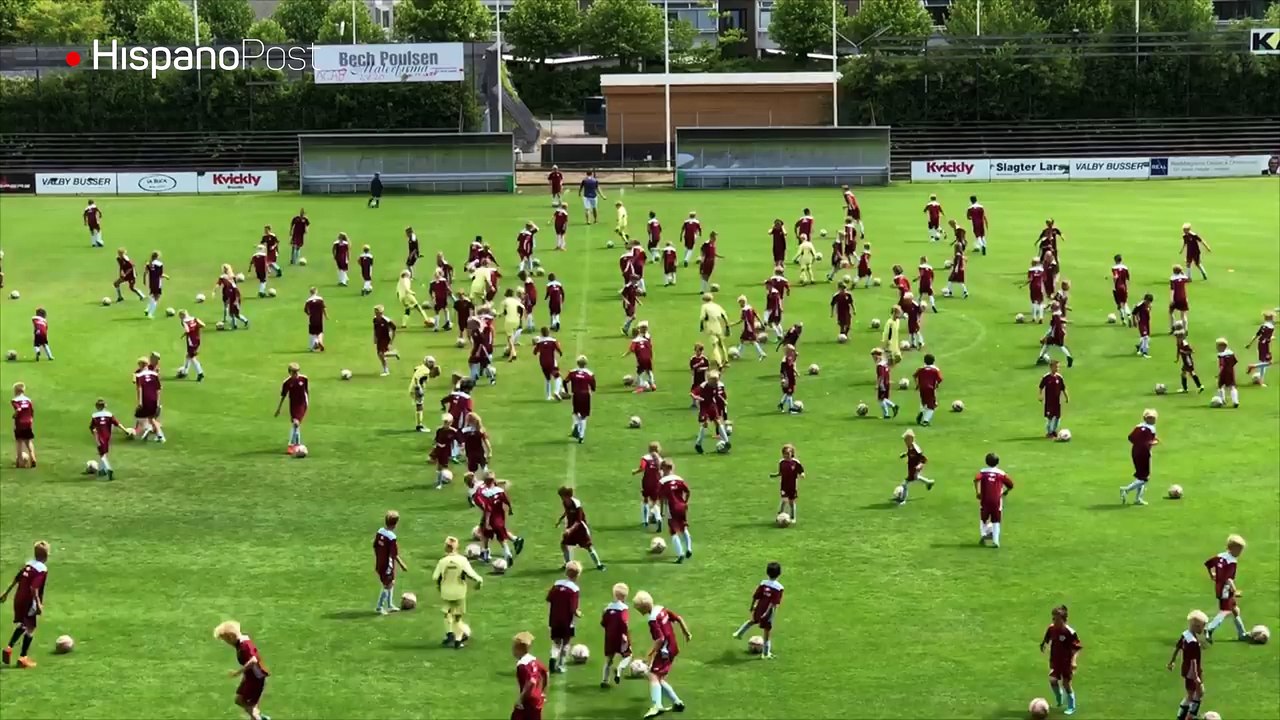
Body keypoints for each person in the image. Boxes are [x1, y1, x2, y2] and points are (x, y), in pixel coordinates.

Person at [633, 590, 691, 718]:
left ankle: (657, 706)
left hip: (665, 651)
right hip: (673, 648)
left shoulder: (653, 620)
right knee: (659, 678)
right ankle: (677, 703)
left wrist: (652, 652)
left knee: (652, 675)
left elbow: (660, 639)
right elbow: (679, 618)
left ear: (642, 608)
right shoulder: (661, 609)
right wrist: (686, 633)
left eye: (638, 609)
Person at [0, 540, 49, 668]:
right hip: (29, 600)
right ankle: (23, 658)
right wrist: (38, 605)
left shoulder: (28, 564)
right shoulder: (42, 569)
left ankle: (9, 648)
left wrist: (5, 594)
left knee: (23, 623)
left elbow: (16, 579)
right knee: (31, 628)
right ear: (46, 556)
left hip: (18, 598)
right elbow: (34, 588)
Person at [212, 620, 270, 720]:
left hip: (256, 679)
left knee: (249, 707)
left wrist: (238, 673)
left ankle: (258, 717)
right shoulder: (240, 643)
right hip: (250, 677)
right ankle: (258, 716)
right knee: (240, 700)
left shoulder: (244, 645)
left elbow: (253, 660)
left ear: (231, 637)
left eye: (226, 640)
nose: (227, 643)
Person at [432, 535, 483, 649]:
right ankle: (458, 641)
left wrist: (440, 585)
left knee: (447, 613)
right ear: (457, 547)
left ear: (446, 547)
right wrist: (479, 582)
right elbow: (472, 575)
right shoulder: (462, 560)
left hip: (446, 592)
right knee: (458, 618)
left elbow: (435, 577)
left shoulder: (442, 561)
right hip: (459, 592)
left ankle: (449, 634)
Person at [732, 562, 784, 659]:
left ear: (767, 572)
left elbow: (756, 596)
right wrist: (766, 613)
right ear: (779, 573)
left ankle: (739, 633)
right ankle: (765, 653)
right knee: (767, 632)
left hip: (759, 607)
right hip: (768, 612)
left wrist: (753, 606)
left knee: (753, 620)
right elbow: (773, 603)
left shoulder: (763, 583)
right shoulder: (779, 588)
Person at [1204, 534, 1249, 643]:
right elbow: (1229, 579)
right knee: (1225, 610)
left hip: (1219, 587)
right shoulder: (1232, 562)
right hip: (1225, 589)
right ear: (1233, 549)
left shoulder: (1220, 556)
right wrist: (1235, 591)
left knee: (1234, 609)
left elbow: (1208, 564)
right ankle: (1209, 629)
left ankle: (1242, 633)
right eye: (1239, 550)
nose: (1240, 553)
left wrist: (1212, 575)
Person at [1040, 605, 1081, 715]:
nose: (1054, 621)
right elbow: (1047, 638)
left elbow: (1076, 648)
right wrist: (1043, 644)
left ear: (1064, 620)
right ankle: (1059, 697)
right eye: (1053, 618)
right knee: (1052, 680)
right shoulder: (1052, 628)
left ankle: (1071, 706)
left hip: (1066, 662)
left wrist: (1073, 661)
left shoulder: (1070, 632)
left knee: (1066, 684)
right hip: (1055, 660)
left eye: (1056, 619)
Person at [1168, 610, 1207, 720]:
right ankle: (1188, 716)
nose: (1203, 629)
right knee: (1196, 694)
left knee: (1193, 694)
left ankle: (1185, 716)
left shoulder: (1186, 635)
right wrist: (1196, 677)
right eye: (1202, 627)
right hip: (1192, 672)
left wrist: (1172, 661)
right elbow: (1193, 661)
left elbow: (1177, 648)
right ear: (1196, 626)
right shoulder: (1193, 642)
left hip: (1187, 670)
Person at [545, 561, 583, 673]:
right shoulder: (574, 589)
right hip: (567, 621)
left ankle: (553, 658)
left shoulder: (557, 584)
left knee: (556, 642)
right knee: (566, 643)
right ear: (577, 575)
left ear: (566, 572)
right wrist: (578, 613)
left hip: (554, 619)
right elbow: (573, 608)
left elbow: (548, 598)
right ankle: (561, 665)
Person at [556, 487, 605, 571]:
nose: (561, 498)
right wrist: (561, 519)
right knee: (563, 545)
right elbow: (567, 511)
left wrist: (570, 530)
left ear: (567, 496)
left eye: (562, 496)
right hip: (571, 527)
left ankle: (599, 565)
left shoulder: (576, 504)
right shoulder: (565, 502)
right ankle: (568, 564)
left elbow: (579, 521)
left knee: (588, 547)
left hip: (580, 528)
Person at [974, 453, 1013, 548]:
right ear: (998, 462)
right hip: (996, 500)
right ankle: (996, 541)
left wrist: (978, 492)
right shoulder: (1001, 473)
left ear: (986, 462)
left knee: (983, 519)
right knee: (996, 521)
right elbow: (1011, 485)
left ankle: (984, 535)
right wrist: (1005, 491)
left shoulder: (982, 472)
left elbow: (976, 479)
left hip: (985, 499)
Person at [1121, 409, 1159, 505]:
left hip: (1135, 451)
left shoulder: (1138, 426)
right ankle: (1126, 489)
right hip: (1144, 453)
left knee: (1140, 476)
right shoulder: (1151, 428)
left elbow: (1130, 437)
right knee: (1144, 478)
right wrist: (1154, 442)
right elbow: (1149, 442)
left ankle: (1138, 499)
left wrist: (1138, 443)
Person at [600, 583, 633, 687]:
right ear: (625, 596)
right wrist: (624, 634)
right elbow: (624, 622)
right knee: (628, 655)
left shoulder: (608, 608)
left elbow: (603, 623)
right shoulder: (624, 609)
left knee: (609, 659)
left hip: (609, 637)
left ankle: (604, 680)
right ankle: (619, 668)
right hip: (621, 636)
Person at [658, 461, 693, 562]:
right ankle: (689, 548)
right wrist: (686, 502)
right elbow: (688, 491)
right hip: (682, 506)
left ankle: (680, 554)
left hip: (672, 507)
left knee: (673, 532)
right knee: (684, 528)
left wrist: (661, 512)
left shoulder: (663, 481)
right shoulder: (679, 479)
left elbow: (661, 498)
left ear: (664, 469)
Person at [510, 632, 549, 720]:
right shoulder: (534, 660)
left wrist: (520, 699)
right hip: (537, 699)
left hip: (528, 700)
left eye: (514, 647)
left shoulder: (522, 664)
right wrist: (543, 692)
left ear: (519, 649)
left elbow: (531, 681)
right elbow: (546, 673)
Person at [274, 362, 309, 454]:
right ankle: (296, 444)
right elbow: (283, 396)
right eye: (294, 372)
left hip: (302, 404)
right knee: (296, 425)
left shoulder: (304, 379)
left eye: (297, 372)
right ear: (290, 372)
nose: (296, 374)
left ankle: (291, 445)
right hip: (293, 405)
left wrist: (306, 404)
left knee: (296, 423)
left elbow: (306, 392)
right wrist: (279, 409)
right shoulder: (287, 382)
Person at [88, 398, 124, 480]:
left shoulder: (94, 416)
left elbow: (92, 428)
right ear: (105, 406)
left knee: (102, 454)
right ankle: (102, 470)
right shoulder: (109, 414)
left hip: (99, 436)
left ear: (96, 407)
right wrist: (125, 430)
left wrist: (95, 435)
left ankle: (108, 469)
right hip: (107, 436)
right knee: (104, 453)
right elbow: (117, 424)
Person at [896, 430, 934, 504]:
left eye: (906, 440)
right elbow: (910, 452)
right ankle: (929, 482)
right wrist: (905, 454)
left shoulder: (916, 448)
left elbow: (923, 459)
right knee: (916, 478)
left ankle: (903, 500)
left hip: (915, 468)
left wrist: (920, 465)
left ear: (911, 440)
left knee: (905, 484)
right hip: (911, 467)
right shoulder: (910, 447)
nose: (905, 442)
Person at [633, 442, 664, 531]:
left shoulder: (645, 458)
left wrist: (635, 471)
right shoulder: (660, 459)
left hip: (647, 482)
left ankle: (645, 520)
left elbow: (642, 468)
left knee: (645, 500)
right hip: (657, 483)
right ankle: (659, 518)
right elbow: (662, 472)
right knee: (655, 502)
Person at [565, 356, 596, 443]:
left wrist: (567, 392)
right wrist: (591, 389)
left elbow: (565, 381)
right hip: (585, 395)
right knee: (584, 416)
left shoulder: (572, 372)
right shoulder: (589, 374)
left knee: (575, 413)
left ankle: (576, 426)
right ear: (586, 363)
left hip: (576, 395)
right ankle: (581, 436)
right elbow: (593, 387)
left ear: (577, 363)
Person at [769, 444, 804, 521]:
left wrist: (802, 474)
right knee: (784, 500)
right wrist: (775, 475)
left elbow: (801, 471)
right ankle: (779, 516)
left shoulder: (795, 462)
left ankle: (793, 517)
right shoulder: (782, 462)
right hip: (784, 485)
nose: (786, 455)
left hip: (793, 485)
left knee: (791, 502)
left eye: (788, 453)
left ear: (792, 453)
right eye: (785, 454)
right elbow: (780, 473)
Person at [699, 293, 730, 369]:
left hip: (710, 327)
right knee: (721, 344)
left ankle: (719, 363)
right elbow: (724, 315)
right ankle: (726, 360)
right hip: (718, 326)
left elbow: (702, 317)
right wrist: (727, 326)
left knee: (714, 346)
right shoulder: (717, 306)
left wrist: (701, 326)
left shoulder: (704, 306)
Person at [1038, 301, 1074, 368]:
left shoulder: (1054, 316)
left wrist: (1045, 336)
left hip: (1055, 335)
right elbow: (1060, 321)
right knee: (1061, 346)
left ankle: (1041, 357)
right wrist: (1067, 321)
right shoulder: (1058, 314)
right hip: (1061, 333)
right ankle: (1069, 357)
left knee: (1046, 343)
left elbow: (1052, 328)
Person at [1038, 359, 1068, 438]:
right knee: (1050, 417)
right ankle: (1049, 432)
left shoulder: (1059, 377)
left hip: (1057, 401)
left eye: (1058, 367)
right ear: (1051, 367)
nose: (1057, 369)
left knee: (1057, 417)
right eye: (1056, 367)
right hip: (1049, 401)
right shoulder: (1046, 377)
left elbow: (1063, 388)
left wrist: (1066, 397)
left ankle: (1054, 431)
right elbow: (1041, 387)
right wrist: (1040, 395)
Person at [1244, 310, 1274, 385]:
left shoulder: (1263, 326)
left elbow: (1257, 335)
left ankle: (1261, 381)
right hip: (1265, 345)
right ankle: (1253, 366)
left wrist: (1249, 344)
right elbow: (1267, 337)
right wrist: (1270, 338)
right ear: (1271, 318)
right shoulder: (1271, 326)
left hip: (1260, 344)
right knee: (1268, 363)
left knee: (1263, 362)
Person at [176, 310, 207, 380]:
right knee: (188, 355)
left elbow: (187, 330)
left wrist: (186, 333)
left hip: (191, 341)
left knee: (192, 357)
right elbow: (203, 325)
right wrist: (195, 328)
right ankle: (185, 371)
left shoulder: (184, 321)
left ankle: (200, 373)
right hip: (197, 339)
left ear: (182, 316)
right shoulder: (195, 319)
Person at [913, 354, 943, 426]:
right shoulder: (935, 369)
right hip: (930, 388)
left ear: (924, 361)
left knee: (924, 402)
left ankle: (922, 412)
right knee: (932, 405)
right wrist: (936, 384)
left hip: (922, 388)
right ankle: (925, 421)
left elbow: (914, 376)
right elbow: (940, 379)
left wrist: (917, 384)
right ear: (934, 361)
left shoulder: (921, 369)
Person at [1174, 328, 1204, 394]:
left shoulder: (1185, 344)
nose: (1176, 339)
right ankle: (1187, 388)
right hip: (1185, 361)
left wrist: (1184, 352)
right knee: (1184, 374)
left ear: (1182, 337)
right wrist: (1177, 358)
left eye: (1178, 337)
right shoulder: (1179, 343)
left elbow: (1192, 351)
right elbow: (1178, 351)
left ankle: (1199, 386)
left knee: (1191, 373)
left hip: (1188, 361)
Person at [872, 347, 898, 419]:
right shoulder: (885, 363)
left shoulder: (880, 366)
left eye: (874, 357)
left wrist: (878, 384)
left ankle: (889, 411)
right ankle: (890, 410)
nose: (873, 359)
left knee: (880, 400)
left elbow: (881, 376)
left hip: (882, 384)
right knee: (883, 399)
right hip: (887, 383)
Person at [1214, 337, 1240, 408]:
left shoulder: (1221, 355)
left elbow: (1222, 365)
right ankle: (1235, 401)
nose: (1217, 348)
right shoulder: (1231, 353)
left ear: (1222, 346)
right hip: (1231, 371)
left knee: (1220, 386)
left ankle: (1222, 400)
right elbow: (1235, 362)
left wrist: (1219, 374)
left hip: (1223, 373)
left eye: (1218, 346)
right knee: (1232, 386)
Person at [144, 251, 168, 319]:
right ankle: (150, 314)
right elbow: (161, 274)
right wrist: (167, 277)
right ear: (158, 256)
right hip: (157, 282)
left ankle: (147, 309)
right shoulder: (159, 264)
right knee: (156, 297)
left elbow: (146, 272)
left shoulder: (148, 263)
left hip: (151, 282)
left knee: (153, 295)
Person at [1169, 264, 1192, 332]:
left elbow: (1172, 290)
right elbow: (1189, 279)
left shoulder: (1172, 278)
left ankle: (1173, 326)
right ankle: (1185, 329)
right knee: (1183, 314)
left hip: (1176, 298)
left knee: (1171, 312)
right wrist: (1183, 273)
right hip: (1183, 298)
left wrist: (1171, 300)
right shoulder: (1183, 278)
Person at [1111, 254, 1132, 324]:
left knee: (1119, 304)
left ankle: (1123, 319)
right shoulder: (1125, 268)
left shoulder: (1114, 268)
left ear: (1115, 260)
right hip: (1124, 287)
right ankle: (1129, 315)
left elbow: (1115, 277)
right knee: (1125, 303)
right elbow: (1128, 278)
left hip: (1117, 288)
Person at [1134, 293, 1154, 358]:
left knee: (1146, 337)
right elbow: (1134, 313)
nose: (1148, 303)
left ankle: (1139, 347)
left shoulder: (1149, 305)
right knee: (1145, 337)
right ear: (1145, 300)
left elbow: (1149, 313)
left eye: (1149, 302)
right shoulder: (1139, 305)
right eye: (1148, 301)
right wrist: (1135, 321)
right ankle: (1145, 353)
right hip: (1142, 323)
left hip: (1147, 323)